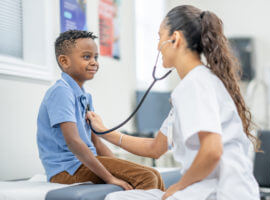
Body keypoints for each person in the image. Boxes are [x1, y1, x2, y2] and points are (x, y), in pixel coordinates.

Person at [86, 5, 260, 200]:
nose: (157, 45)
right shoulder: (196, 83)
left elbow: (212, 150)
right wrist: (105, 132)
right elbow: (155, 148)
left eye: (160, 36)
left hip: (220, 193)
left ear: (175, 39)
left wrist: (179, 186)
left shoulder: (195, 84)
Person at [36, 30, 165, 191]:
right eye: (86, 57)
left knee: (154, 173)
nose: (94, 62)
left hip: (84, 164)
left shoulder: (85, 96)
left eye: (95, 57)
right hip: (66, 169)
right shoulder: (61, 92)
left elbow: (95, 142)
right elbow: (74, 142)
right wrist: (109, 177)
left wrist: (122, 167)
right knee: (146, 177)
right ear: (64, 61)